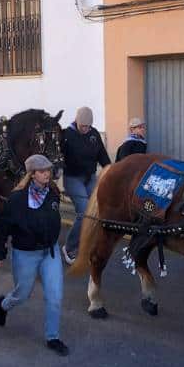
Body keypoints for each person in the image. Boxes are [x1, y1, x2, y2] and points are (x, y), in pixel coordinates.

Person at [0, 154, 69, 356]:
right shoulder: (17, 199)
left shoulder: (52, 193)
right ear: (32, 174)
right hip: (25, 253)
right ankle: (3, 304)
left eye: (48, 171)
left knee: (55, 297)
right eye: (43, 171)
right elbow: (3, 226)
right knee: (22, 294)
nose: (47, 174)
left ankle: (53, 337)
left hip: (50, 252)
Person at [61, 106, 111, 264]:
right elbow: (58, 158)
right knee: (84, 212)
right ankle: (69, 247)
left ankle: (87, 243)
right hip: (73, 178)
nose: (86, 129)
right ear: (76, 121)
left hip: (90, 177)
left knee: (97, 209)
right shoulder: (66, 135)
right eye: (83, 126)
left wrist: (109, 169)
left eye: (88, 126)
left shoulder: (94, 134)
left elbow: (102, 155)